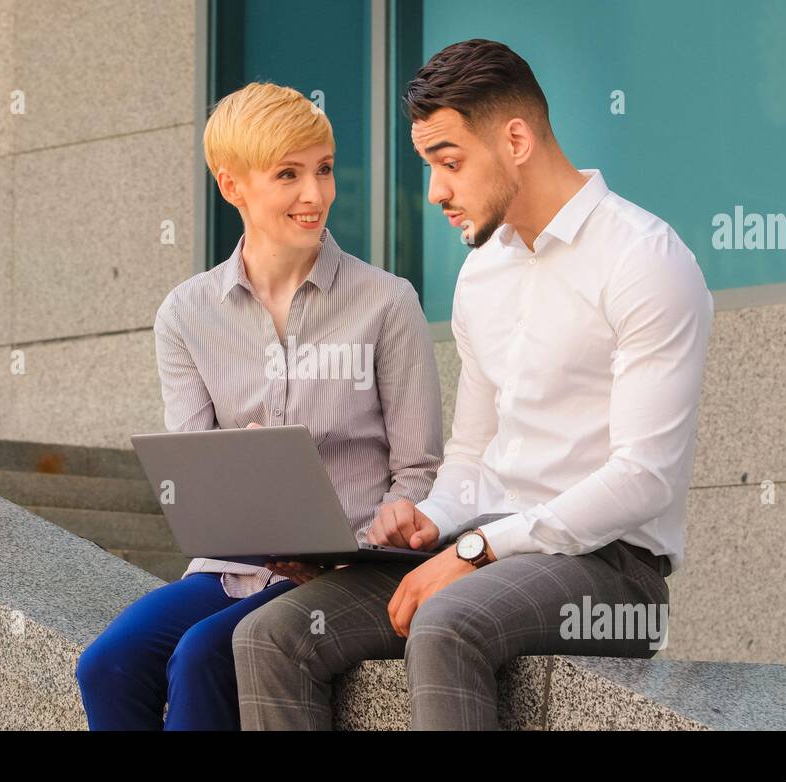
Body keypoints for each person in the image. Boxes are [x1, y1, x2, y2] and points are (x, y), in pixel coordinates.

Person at [232, 39, 715, 730]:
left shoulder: (644, 260)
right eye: (429, 166)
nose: (435, 192)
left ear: (515, 138)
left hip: (614, 572)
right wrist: (434, 517)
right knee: (270, 635)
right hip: (486, 547)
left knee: (447, 623)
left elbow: (644, 479)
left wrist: (475, 549)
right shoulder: (482, 275)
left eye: (449, 163)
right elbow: (474, 453)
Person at [74, 81, 443, 730]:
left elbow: (420, 472)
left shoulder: (387, 304)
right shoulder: (187, 313)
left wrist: (376, 531)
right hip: (231, 565)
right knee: (107, 662)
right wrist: (237, 476)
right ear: (232, 185)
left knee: (200, 657)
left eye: (324, 170)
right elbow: (186, 475)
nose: (315, 195)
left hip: (345, 569)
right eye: (288, 175)